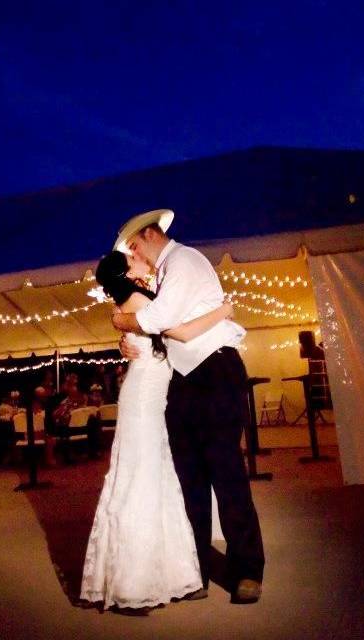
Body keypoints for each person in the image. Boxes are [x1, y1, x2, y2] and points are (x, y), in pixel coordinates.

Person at [110, 209, 265, 604]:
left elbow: (161, 318)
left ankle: (247, 570)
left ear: (149, 236)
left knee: (227, 473)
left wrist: (122, 323)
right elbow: (158, 330)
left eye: (134, 247)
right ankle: (193, 571)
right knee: (188, 481)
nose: (134, 256)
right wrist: (129, 341)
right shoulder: (161, 276)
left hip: (215, 372)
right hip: (181, 383)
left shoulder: (185, 260)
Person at [80, 247, 236, 611]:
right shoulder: (139, 299)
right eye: (132, 257)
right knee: (143, 478)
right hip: (144, 400)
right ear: (126, 271)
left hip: (150, 397)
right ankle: (134, 582)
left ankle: (159, 574)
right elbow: (179, 331)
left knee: (153, 476)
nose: (139, 256)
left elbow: (141, 331)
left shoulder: (132, 299)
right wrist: (224, 311)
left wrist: (123, 339)